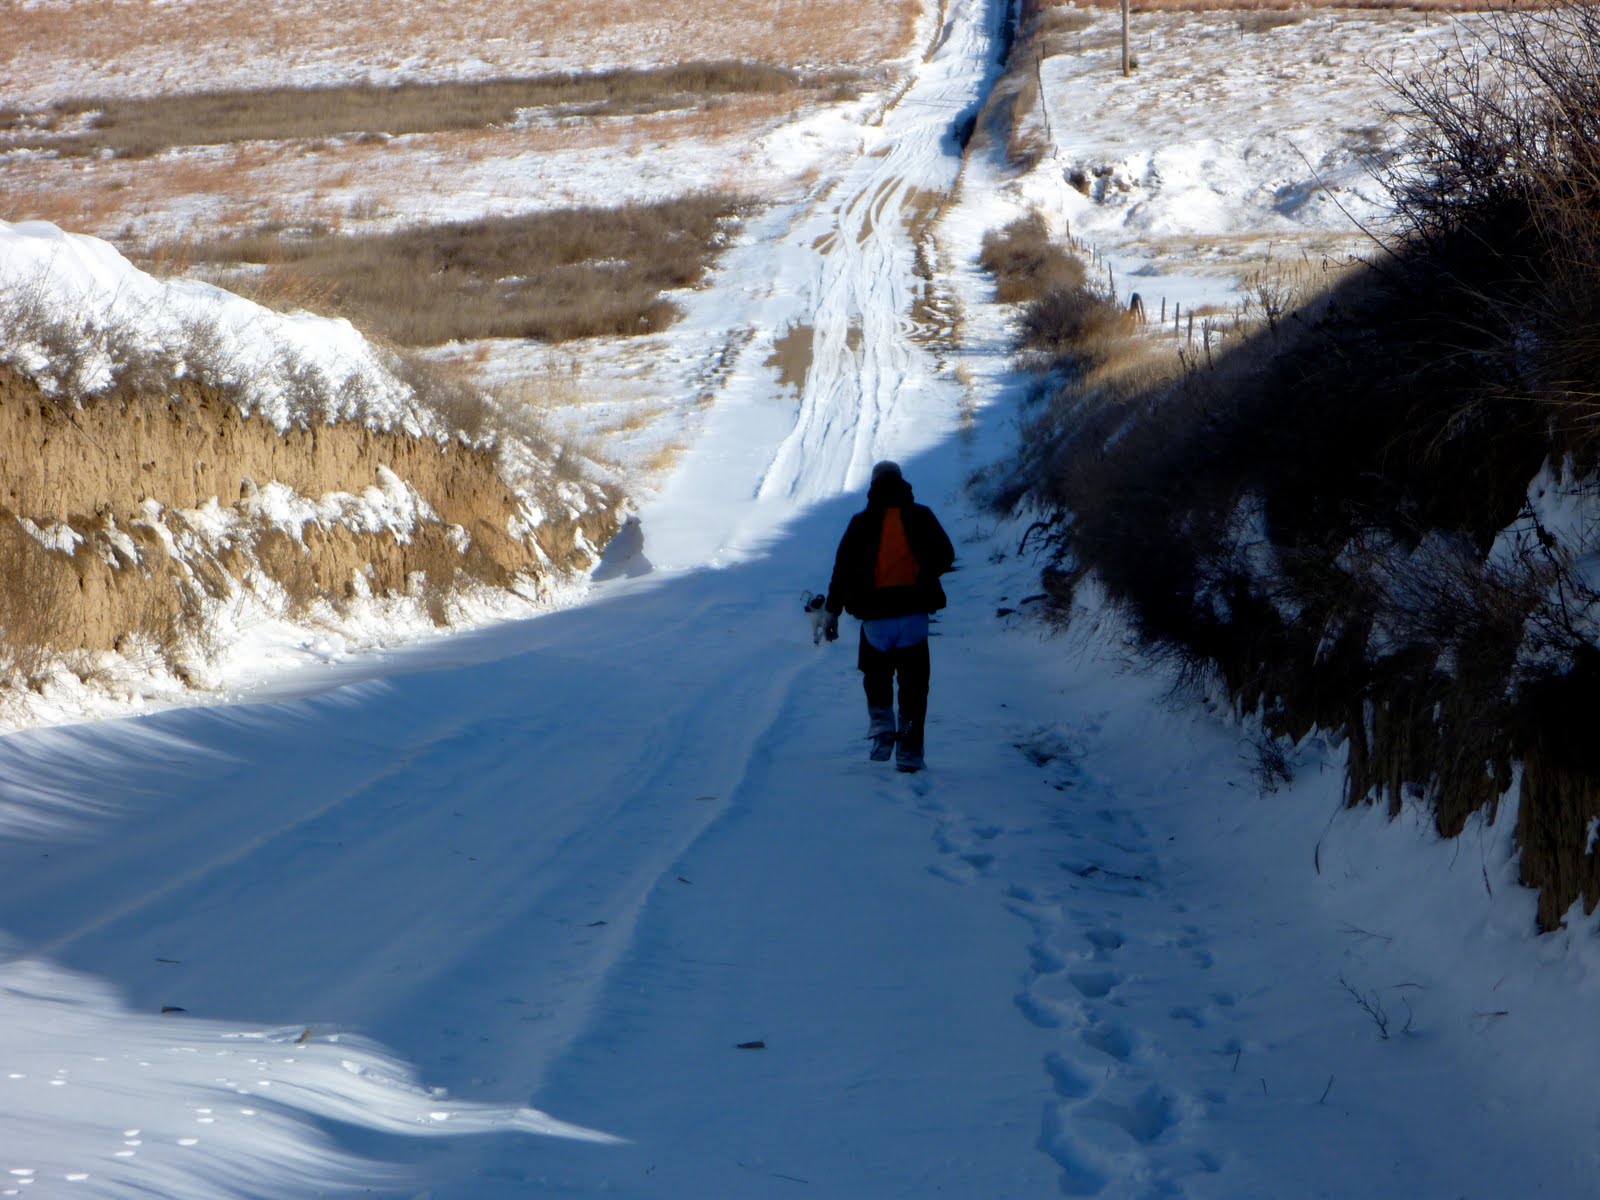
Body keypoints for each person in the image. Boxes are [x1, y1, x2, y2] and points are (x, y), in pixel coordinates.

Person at [822, 461, 955, 772]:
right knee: (913, 689)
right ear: (902, 482)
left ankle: (882, 726)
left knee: (876, 676)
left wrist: (832, 612)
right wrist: (924, 573)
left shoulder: (861, 523)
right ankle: (909, 752)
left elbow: (842, 572)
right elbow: (946, 555)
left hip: (876, 618)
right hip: (913, 617)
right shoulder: (921, 516)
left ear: (873, 485)